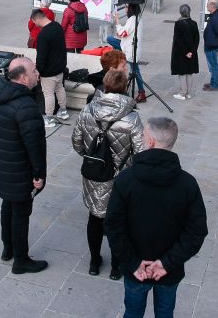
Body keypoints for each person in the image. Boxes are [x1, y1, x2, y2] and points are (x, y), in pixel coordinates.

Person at [106, 117, 208, 317]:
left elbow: (113, 226)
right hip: (169, 271)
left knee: (133, 313)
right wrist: (166, 263)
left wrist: (133, 263)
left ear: (151, 141)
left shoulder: (125, 180)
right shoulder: (188, 184)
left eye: (143, 134)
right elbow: (196, 231)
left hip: (136, 270)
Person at [73, 70, 143, 279]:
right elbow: (140, 152)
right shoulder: (132, 117)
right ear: (124, 87)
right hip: (121, 177)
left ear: (105, 85)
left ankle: (94, 262)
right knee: (118, 222)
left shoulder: (87, 110)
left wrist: (93, 156)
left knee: (95, 217)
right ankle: (116, 267)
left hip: (94, 173)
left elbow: (77, 143)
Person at [0, 56, 48, 274]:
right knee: (21, 213)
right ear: (23, 78)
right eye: (33, 70)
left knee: (8, 205)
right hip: (19, 170)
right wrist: (39, 174)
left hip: (4, 166)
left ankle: (8, 248)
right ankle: (20, 260)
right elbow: (36, 147)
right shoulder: (25, 107)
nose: (37, 73)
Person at [31, 8, 69, 128]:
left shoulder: (43, 34)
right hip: (60, 67)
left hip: (48, 71)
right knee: (60, 88)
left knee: (48, 94)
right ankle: (63, 111)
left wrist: (38, 70)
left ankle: (49, 118)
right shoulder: (57, 26)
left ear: (35, 20)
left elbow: (41, 56)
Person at [108, 4, 146, 103]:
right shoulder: (138, 19)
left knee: (136, 71)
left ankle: (142, 92)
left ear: (130, 9)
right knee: (110, 39)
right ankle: (142, 92)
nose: (125, 9)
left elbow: (122, 34)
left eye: (126, 7)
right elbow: (126, 33)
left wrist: (117, 21)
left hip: (130, 49)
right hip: (129, 46)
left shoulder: (132, 20)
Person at [170, 4, 199, 100]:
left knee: (182, 73)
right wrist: (192, 52)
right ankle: (188, 93)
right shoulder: (194, 23)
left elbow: (178, 40)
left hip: (181, 53)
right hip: (192, 53)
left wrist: (186, 52)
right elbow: (197, 39)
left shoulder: (178, 24)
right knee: (189, 72)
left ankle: (183, 93)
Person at [203, 0, 218, 92]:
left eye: (208, 5)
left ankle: (214, 85)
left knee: (214, 66)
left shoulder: (216, 17)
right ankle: (212, 82)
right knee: (212, 66)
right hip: (210, 44)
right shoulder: (214, 15)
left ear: (212, 6)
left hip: (212, 46)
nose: (207, 7)